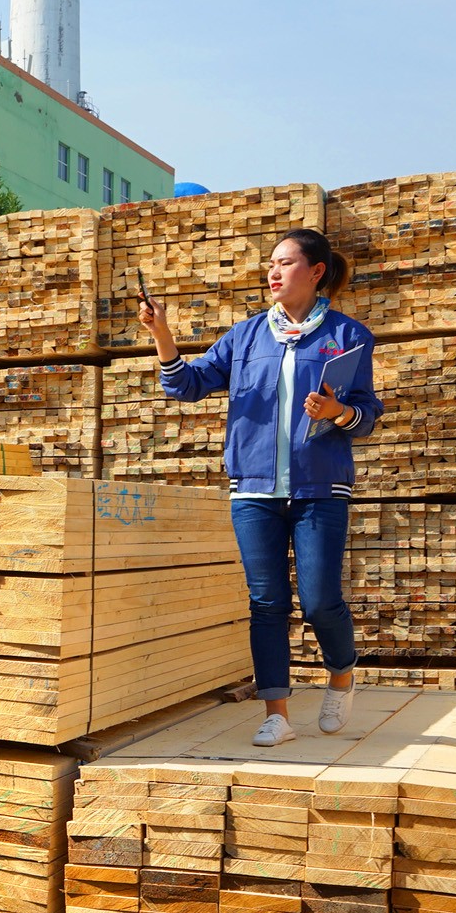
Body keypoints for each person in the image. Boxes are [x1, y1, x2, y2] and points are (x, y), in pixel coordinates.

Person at [142, 229, 381, 747]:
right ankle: (277, 712)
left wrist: (339, 412)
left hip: (320, 489)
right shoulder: (246, 336)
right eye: (270, 264)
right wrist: (162, 332)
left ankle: (342, 674)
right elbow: (185, 384)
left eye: (286, 263)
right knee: (267, 602)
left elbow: (367, 416)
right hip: (253, 490)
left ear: (316, 272)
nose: (273, 273)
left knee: (319, 602)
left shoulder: (349, 335)